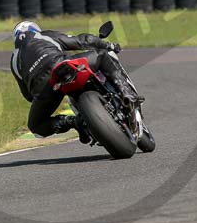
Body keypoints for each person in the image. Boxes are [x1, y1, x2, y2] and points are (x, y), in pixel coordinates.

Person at [10, 21, 140, 142]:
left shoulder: (14, 61)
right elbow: (83, 41)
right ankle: (126, 93)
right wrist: (108, 45)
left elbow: (28, 96)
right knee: (101, 55)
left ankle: (73, 122)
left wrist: (43, 95)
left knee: (35, 126)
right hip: (62, 64)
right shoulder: (44, 35)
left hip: (45, 87)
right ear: (34, 29)